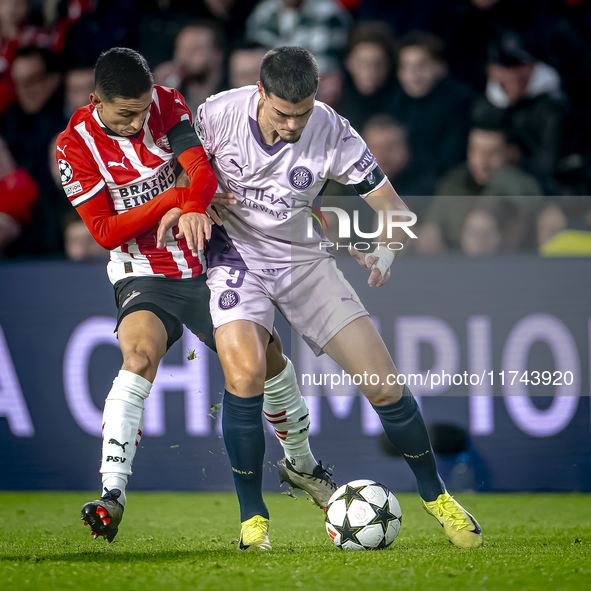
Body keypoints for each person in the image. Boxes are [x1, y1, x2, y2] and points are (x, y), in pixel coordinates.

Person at [160, 47, 484, 550]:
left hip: (304, 261)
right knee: (244, 377)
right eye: (283, 113)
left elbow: (393, 209)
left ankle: (437, 498)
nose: (293, 126)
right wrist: (193, 199)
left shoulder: (333, 129)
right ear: (260, 94)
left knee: (384, 385)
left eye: (303, 113)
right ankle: (253, 520)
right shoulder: (217, 113)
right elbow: (179, 173)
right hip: (235, 261)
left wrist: (387, 248)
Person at [56, 47, 335, 544]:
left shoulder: (166, 103)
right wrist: (177, 200)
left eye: (143, 111)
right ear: (95, 99)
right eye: (125, 114)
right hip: (144, 272)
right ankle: (112, 494)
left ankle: (303, 465)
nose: (138, 121)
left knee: (269, 364)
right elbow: (103, 230)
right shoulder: (72, 148)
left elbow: (201, 171)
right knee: (138, 357)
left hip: (207, 263)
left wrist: (191, 200)